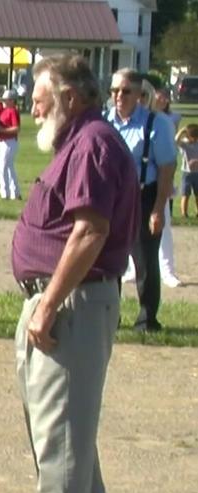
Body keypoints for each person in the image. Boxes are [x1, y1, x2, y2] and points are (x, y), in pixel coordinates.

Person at [13, 54, 139, 493]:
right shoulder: (79, 142)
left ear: (69, 97)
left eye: (40, 100)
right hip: (62, 306)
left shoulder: (91, 144)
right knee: (70, 452)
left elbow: (90, 231)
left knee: (62, 462)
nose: (33, 110)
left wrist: (47, 306)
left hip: (70, 308)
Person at [106, 68, 177, 331]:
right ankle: (109, 315)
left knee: (145, 260)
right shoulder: (103, 121)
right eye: (114, 91)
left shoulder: (155, 123)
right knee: (108, 258)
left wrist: (158, 208)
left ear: (139, 94)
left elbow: (167, 168)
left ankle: (147, 318)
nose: (119, 96)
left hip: (143, 196)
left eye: (125, 91)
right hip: (111, 198)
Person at [154, 88, 183, 287]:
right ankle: (131, 267)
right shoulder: (140, 118)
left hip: (161, 179)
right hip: (141, 182)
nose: (162, 99)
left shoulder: (170, 119)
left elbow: (170, 156)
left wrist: (169, 182)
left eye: (165, 97)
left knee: (163, 227)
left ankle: (167, 270)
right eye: (159, 96)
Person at [0, 89, 21, 200]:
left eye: (6, 100)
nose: (4, 102)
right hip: (4, 142)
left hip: (9, 141)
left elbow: (16, 128)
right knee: (9, 167)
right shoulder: (4, 111)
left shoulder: (12, 111)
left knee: (3, 167)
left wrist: (1, 130)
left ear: (12, 100)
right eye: (4, 100)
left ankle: (5, 193)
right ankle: (15, 192)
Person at [176, 124, 198, 218]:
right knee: (185, 194)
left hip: (197, 173)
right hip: (187, 173)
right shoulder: (184, 144)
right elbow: (175, 140)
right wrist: (182, 131)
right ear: (189, 137)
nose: (195, 139)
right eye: (193, 137)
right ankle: (184, 214)